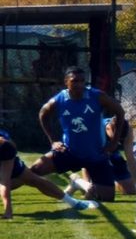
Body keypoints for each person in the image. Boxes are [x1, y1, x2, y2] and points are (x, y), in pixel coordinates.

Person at [30, 66, 128, 204]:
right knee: (33, 170)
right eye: (75, 81)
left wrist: (113, 143)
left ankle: (78, 182)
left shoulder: (97, 96)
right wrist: (53, 140)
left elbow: (120, 112)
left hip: (96, 155)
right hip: (69, 152)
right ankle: (5, 188)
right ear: (66, 82)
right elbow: (43, 114)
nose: (79, 85)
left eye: (82, 81)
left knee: (107, 198)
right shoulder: (59, 100)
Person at [2, 128, 97, 217]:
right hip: (6, 150)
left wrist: (8, 211)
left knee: (35, 180)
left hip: (7, 154)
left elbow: (5, 181)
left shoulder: (6, 149)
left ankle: (73, 202)